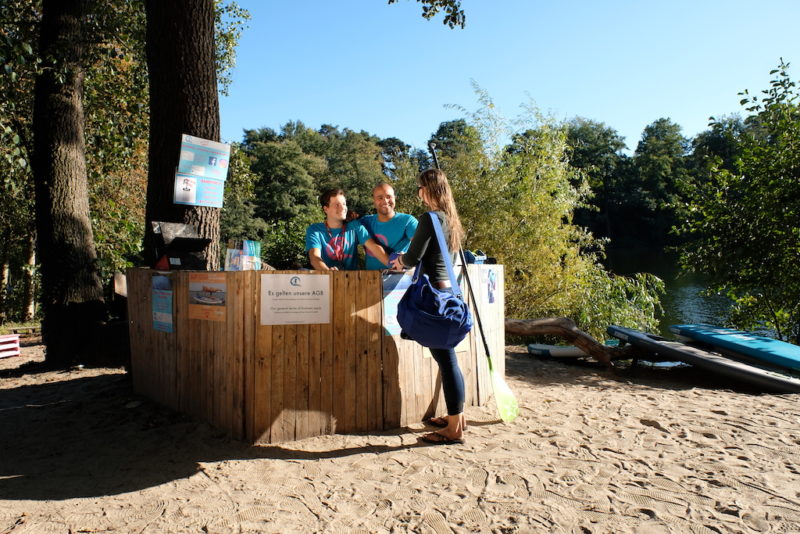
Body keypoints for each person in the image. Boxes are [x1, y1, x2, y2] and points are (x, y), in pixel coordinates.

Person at [390, 169, 467, 445]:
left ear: (429, 190)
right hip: (448, 295)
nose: (418, 193)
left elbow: (413, 257)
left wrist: (399, 262)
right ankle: (458, 419)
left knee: (446, 361)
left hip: (433, 297)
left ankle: (454, 429)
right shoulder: (450, 220)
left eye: (420, 188)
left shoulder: (429, 218)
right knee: (448, 360)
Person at [306, 188, 388, 270]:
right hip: (326, 279)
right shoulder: (315, 230)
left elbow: (374, 247)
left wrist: (392, 265)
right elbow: (315, 258)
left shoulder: (355, 226)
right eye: (337, 205)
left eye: (344, 204)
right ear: (326, 209)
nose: (342, 208)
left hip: (352, 280)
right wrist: (329, 274)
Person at [359, 183, 418, 270]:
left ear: (395, 198)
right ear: (374, 201)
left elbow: (421, 249)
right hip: (370, 279)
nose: (385, 201)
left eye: (389, 196)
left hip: (399, 278)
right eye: (380, 198)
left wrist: (407, 258)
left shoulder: (408, 221)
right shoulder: (365, 222)